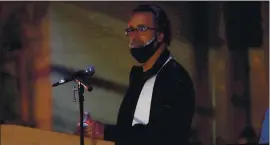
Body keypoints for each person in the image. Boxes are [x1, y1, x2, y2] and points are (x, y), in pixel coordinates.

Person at [89, 4, 195, 145]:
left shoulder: (175, 78)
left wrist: (106, 132)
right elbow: (127, 130)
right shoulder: (139, 78)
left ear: (160, 35)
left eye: (141, 29)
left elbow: (164, 135)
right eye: (131, 30)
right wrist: (96, 130)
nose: (133, 37)